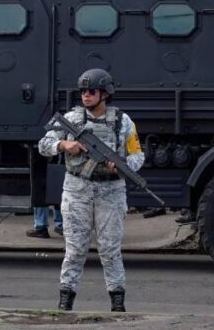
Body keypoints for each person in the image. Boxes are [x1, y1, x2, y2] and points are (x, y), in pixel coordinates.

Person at [38, 68, 144, 313]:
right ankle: (65, 300)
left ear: (105, 94)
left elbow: (138, 155)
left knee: (110, 249)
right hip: (77, 189)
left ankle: (117, 301)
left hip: (111, 191)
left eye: (92, 91)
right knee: (75, 249)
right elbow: (44, 145)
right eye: (83, 91)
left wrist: (122, 165)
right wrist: (64, 144)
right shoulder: (71, 119)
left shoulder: (123, 122)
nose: (86, 95)